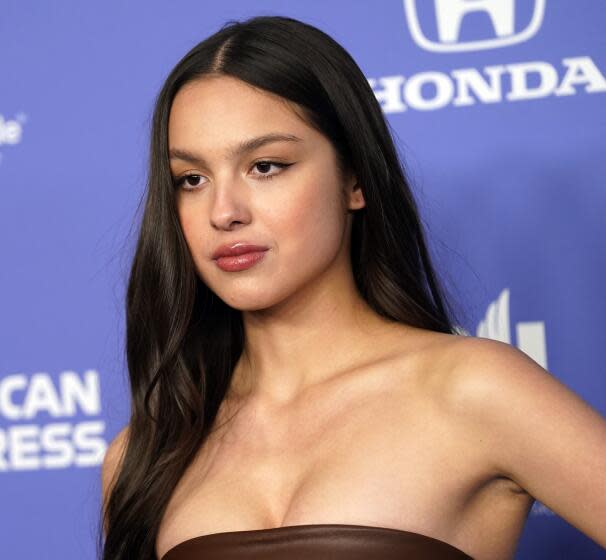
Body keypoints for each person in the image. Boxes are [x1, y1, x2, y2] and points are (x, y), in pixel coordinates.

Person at [99, 14, 606, 560]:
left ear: (355, 179)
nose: (223, 212)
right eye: (191, 180)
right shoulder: (145, 455)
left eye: (266, 166)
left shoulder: (476, 389)